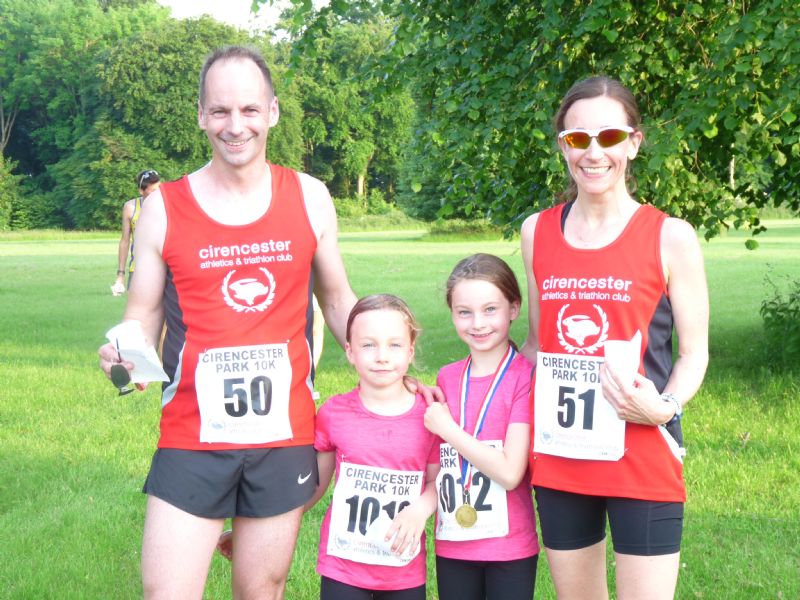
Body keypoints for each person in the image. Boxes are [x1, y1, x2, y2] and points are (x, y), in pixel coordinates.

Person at [98, 45, 359, 600]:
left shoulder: (310, 197)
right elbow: (140, 318)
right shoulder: (164, 208)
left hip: (283, 435)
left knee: (261, 590)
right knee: (166, 591)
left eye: (248, 109)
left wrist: (386, 369)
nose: (234, 126)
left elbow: (336, 300)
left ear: (273, 112)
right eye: (220, 111)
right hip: (192, 437)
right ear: (200, 115)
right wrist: (125, 360)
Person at [519, 76, 709, 600]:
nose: (593, 152)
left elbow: (693, 354)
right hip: (562, 453)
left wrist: (665, 407)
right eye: (578, 139)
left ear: (633, 142)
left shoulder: (671, 235)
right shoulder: (537, 230)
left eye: (608, 136)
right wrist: (472, 386)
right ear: (563, 145)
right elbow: (537, 345)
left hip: (642, 447)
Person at [423, 254, 539, 600]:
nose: (478, 323)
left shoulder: (524, 377)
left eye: (491, 309)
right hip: (454, 541)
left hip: (510, 546)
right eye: (464, 312)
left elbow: (509, 472)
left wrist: (449, 430)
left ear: (514, 308)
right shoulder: (447, 376)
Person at [310, 294, 439, 599]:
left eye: (394, 345)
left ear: (410, 351)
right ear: (350, 352)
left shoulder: (431, 415)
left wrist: (420, 510)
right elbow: (314, 486)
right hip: (343, 564)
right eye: (368, 345)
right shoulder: (333, 413)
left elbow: (438, 481)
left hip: (402, 569)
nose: (382, 356)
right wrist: (258, 528)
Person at [112, 169, 161, 295]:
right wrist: (121, 275)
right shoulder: (130, 208)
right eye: (154, 190)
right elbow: (125, 241)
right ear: (141, 191)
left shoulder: (168, 205)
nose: (159, 193)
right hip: (138, 269)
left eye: (160, 187)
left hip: (164, 269)